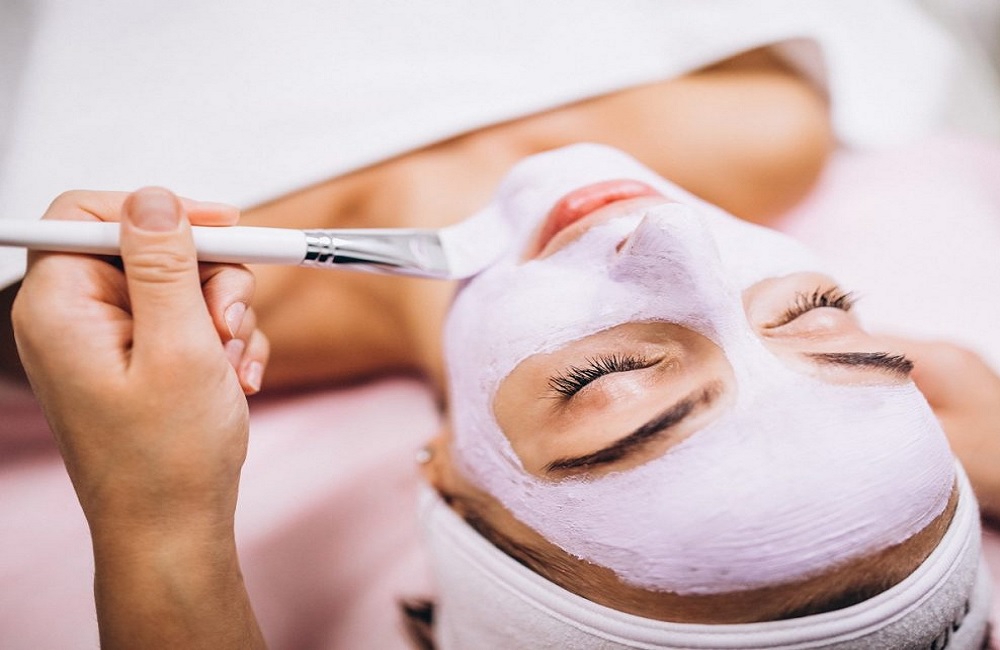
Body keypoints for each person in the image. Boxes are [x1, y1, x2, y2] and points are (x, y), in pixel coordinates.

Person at [11, 143, 997, 648]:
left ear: (446, 478)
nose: (677, 233)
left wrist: (159, 524)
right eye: (822, 316)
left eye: (608, 382)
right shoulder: (770, 132)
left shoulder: (61, 353)